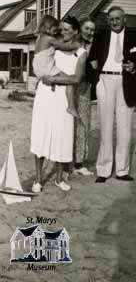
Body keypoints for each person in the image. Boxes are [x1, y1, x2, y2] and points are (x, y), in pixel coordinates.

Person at [30, 16, 87, 193]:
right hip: (45, 94)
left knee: (63, 136)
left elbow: (76, 78)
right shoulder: (54, 45)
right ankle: (38, 179)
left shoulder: (81, 53)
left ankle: (59, 178)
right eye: (61, 29)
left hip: (63, 95)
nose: (62, 32)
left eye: (67, 29)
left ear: (76, 31)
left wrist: (54, 78)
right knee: (41, 133)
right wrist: (47, 79)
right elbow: (42, 63)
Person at [89, 6, 136, 183]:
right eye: (111, 19)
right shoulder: (101, 36)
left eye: (117, 18)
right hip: (105, 80)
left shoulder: (133, 37)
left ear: (124, 19)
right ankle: (104, 170)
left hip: (126, 82)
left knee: (125, 126)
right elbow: (91, 58)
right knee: (105, 125)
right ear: (108, 21)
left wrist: (134, 67)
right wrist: (94, 68)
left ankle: (122, 170)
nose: (114, 22)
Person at [64, 17, 96, 177]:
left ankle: (79, 162)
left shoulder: (93, 46)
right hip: (70, 86)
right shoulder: (72, 45)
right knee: (68, 123)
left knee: (83, 123)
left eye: (92, 29)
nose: (90, 32)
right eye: (87, 28)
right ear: (80, 29)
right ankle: (65, 163)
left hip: (85, 88)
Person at [33, 15, 80, 118]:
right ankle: (71, 106)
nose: (57, 32)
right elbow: (64, 46)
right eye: (55, 29)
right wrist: (77, 46)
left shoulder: (39, 38)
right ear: (48, 27)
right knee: (69, 80)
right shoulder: (49, 39)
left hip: (38, 67)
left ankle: (53, 85)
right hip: (46, 67)